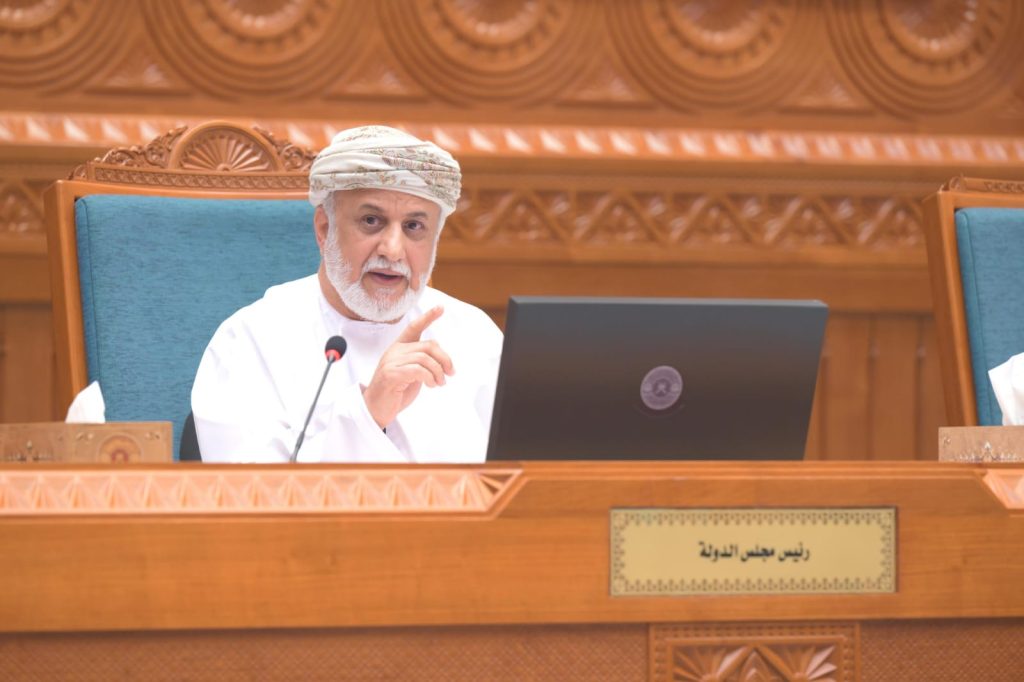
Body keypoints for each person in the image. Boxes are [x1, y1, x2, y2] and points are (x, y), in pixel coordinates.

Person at [191, 126, 503, 463]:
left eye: (414, 227)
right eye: (371, 220)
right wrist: (367, 415)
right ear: (324, 229)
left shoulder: (475, 336)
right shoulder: (250, 339)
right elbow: (250, 491)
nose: (393, 250)